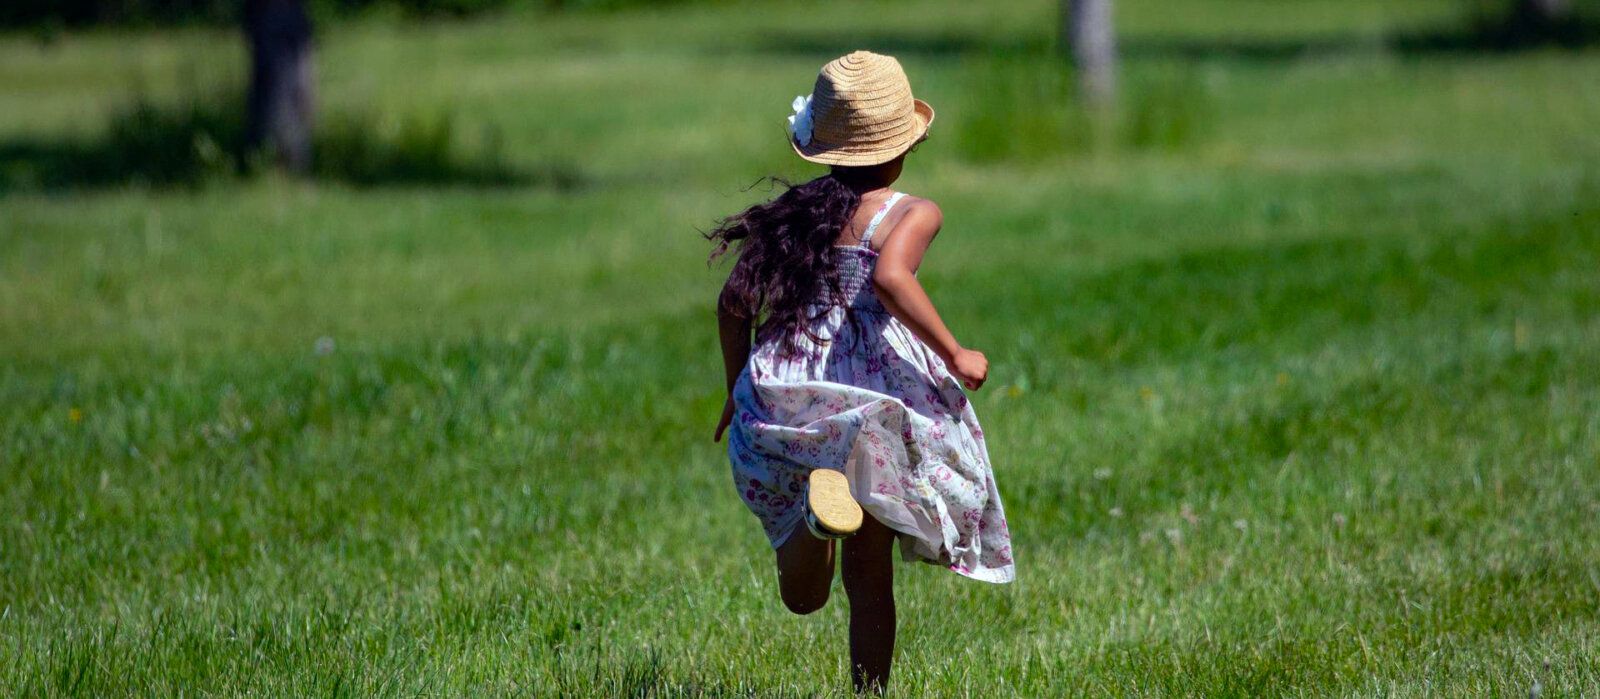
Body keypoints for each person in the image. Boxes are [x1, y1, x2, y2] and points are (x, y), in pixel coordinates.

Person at [708, 50, 1015, 694]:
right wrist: (955, 353)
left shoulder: (796, 214)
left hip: (793, 387)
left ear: (823, 148)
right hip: (868, 396)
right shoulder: (910, 212)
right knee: (870, 578)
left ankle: (815, 518)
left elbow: (733, 304)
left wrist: (737, 389)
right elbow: (890, 277)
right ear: (905, 145)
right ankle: (868, 692)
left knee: (804, 597)